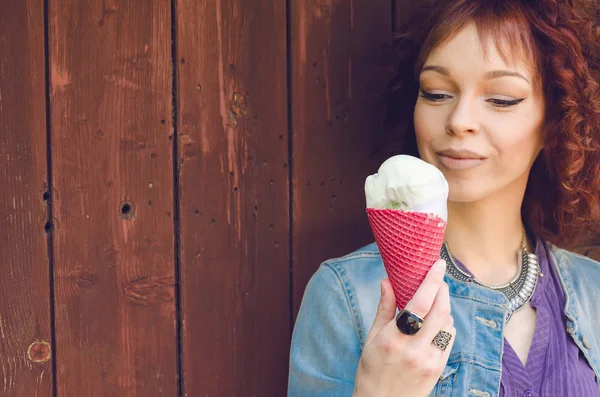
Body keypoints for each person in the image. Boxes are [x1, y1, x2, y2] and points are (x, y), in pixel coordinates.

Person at [287, 0, 600, 396]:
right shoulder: (347, 296)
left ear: (555, 122)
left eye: (501, 99)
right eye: (436, 94)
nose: (459, 121)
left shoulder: (594, 294)